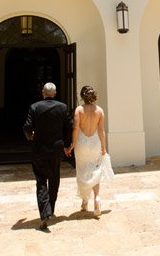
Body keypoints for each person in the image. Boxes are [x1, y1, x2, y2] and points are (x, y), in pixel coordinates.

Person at [23, 82, 73, 231]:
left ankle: (45, 212)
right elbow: (69, 126)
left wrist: (30, 136)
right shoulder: (62, 107)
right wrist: (67, 145)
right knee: (54, 178)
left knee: (41, 180)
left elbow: (27, 127)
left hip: (39, 148)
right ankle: (50, 208)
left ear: (43, 93)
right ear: (55, 93)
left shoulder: (35, 107)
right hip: (56, 148)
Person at [65, 85, 114, 218]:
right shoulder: (100, 110)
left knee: (82, 170)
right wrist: (104, 146)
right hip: (95, 143)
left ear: (82, 96)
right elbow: (101, 131)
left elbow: (75, 128)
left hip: (82, 142)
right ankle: (96, 198)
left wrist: (72, 144)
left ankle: (85, 201)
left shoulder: (79, 109)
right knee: (95, 170)